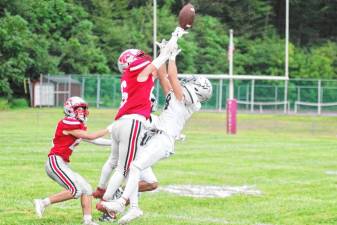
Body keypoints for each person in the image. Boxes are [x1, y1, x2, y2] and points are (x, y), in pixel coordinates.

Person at [101, 42, 213, 224]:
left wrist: (172, 57)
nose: (187, 82)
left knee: (134, 167)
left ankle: (123, 203)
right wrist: (163, 53)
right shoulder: (178, 96)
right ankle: (131, 207)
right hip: (154, 136)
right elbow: (163, 77)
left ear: (198, 90)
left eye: (192, 83)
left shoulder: (190, 101)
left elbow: (173, 77)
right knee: (133, 168)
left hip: (164, 139)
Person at [93, 27, 186, 208]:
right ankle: (107, 202)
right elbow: (158, 62)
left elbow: (157, 69)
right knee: (124, 169)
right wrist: (175, 37)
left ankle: (104, 191)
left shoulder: (128, 76)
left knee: (116, 163)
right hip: (133, 122)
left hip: (121, 122)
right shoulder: (139, 74)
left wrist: (164, 53)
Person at [33, 96, 110, 225]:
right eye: (77, 109)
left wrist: (113, 143)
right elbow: (91, 136)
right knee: (75, 190)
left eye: (83, 109)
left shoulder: (76, 126)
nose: (81, 111)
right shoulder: (68, 122)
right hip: (55, 162)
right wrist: (111, 128)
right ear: (69, 110)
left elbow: (93, 140)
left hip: (62, 163)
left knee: (86, 189)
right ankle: (42, 202)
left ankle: (87, 221)